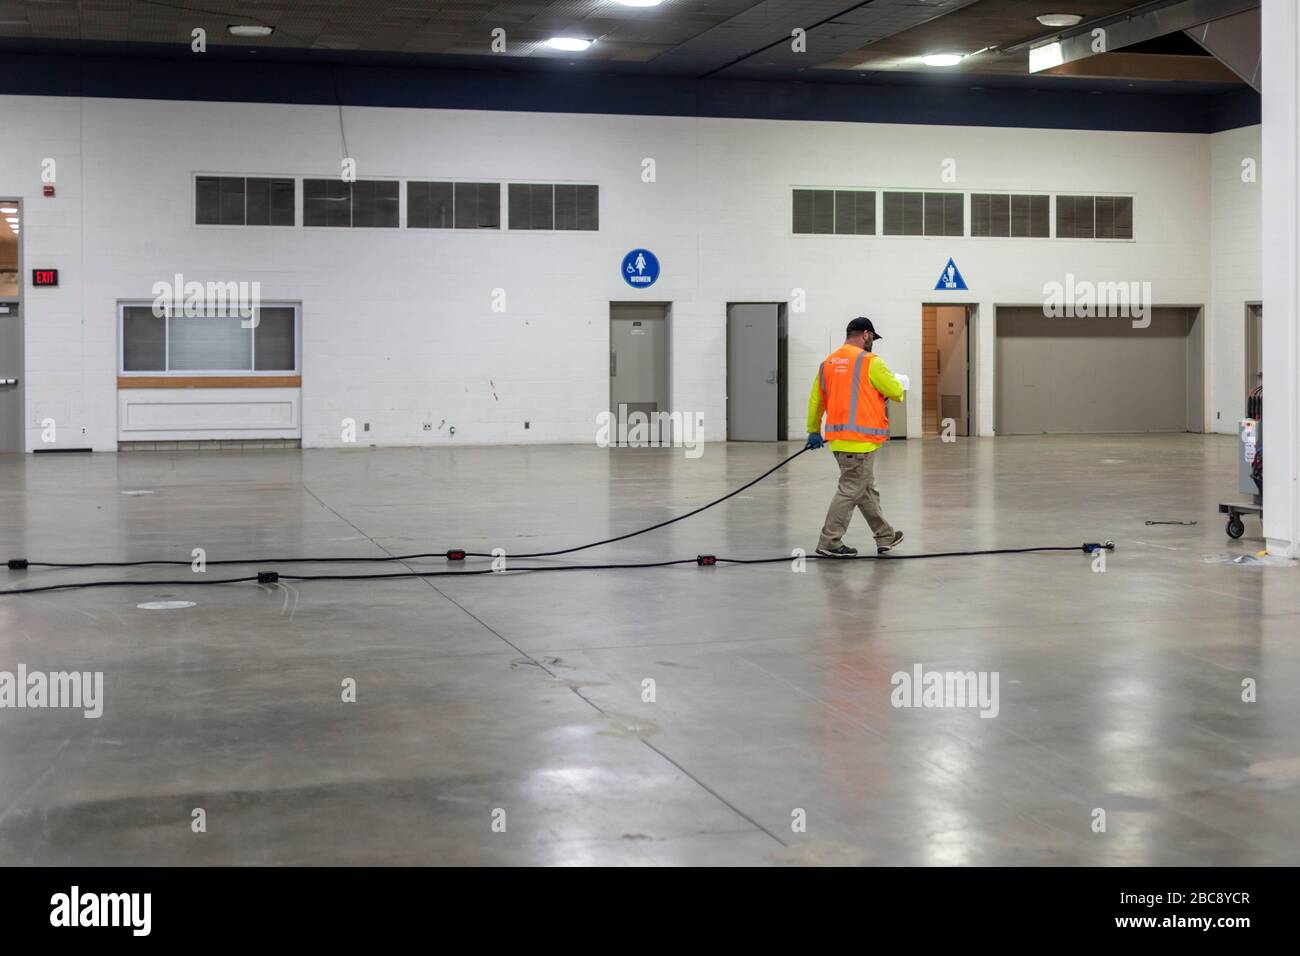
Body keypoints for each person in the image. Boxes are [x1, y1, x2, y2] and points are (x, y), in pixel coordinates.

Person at [805, 316, 905, 558]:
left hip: (840, 440)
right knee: (851, 489)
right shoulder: (870, 361)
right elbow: (897, 391)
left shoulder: (827, 363)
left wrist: (813, 430)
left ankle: (885, 536)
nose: (872, 343)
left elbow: (816, 400)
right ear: (866, 335)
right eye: (872, 338)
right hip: (860, 440)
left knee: (865, 489)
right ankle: (829, 541)